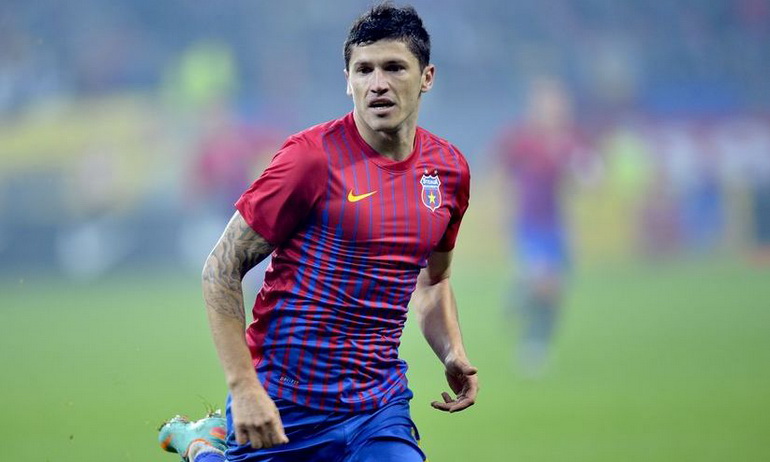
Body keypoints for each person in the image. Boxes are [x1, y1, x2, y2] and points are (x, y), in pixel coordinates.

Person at [159, 3, 478, 461]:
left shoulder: (447, 171)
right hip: (285, 399)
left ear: (427, 77)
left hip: (377, 404)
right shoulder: (310, 159)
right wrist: (243, 387)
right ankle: (202, 445)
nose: (378, 83)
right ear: (348, 80)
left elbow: (434, 280)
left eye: (394, 67)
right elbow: (222, 266)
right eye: (364, 70)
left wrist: (451, 351)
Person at [495, 76, 597, 378]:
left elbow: (583, 179)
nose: (554, 109)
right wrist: (503, 210)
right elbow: (501, 172)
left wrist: (585, 179)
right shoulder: (522, 139)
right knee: (546, 283)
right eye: (548, 103)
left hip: (557, 223)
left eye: (558, 103)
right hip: (529, 223)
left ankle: (523, 310)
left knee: (556, 290)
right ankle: (532, 344)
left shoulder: (572, 140)